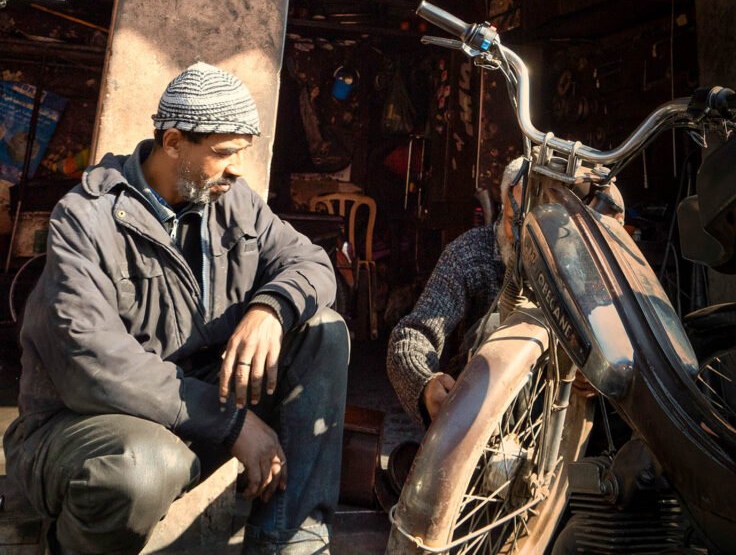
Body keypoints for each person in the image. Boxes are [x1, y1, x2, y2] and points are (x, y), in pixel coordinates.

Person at [4, 62, 349, 555]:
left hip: (191, 412)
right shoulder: (84, 220)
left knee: (322, 330)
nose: (237, 168)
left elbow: (311, 263)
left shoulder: (234, 201)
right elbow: (93, 365)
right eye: (223, 153)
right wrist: (231, 422)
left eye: (241, 153)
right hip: (81, 426)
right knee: (143, 467)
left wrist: (271, 309)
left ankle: (289, 542)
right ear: (172, 142)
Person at [387, 157, 526, 425]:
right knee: (492, 330)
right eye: (514, 221)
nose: (522, 238)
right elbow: (413, 334)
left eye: (533, 225)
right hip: (476, 420)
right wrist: (425, 384)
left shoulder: (575, 265)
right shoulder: (469, 254)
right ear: (502, 208)